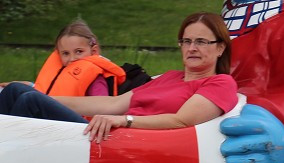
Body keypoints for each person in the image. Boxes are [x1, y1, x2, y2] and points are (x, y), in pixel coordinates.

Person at [0, 12, 238, 143]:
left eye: (201, 41)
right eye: (186, 41)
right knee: (19, 93)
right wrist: (44, 95)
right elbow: (112, 103)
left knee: (28, 102)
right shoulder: (169, 77)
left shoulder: (220, 83)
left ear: (220, 48)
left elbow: (182, 121)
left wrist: (125, 121)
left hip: (126, 141)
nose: (192, 47)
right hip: (111, 132)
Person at [1, 19, 125, 97]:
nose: (72, 59)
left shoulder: (95, 78)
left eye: (78, 51)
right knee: (8, 90)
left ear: (94, 51)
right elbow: (53, 90)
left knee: (25, 98)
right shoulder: (65, 70)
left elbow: (102, 105)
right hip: (50, 113)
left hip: (74, 126)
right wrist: (32, 86)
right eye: (66, 53)